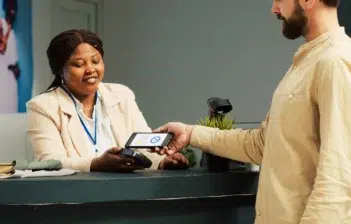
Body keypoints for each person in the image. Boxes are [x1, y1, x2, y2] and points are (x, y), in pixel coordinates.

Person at [152, 0, 351, 223]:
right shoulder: (307, 62)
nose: (274, 9)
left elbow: (339, 175)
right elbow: (263, 145)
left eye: (279, 0)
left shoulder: (335, 62)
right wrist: (192, 133)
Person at [26, 29, 189, 172]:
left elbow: (143, 150)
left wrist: (162, 162)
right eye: (79, 64)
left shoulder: (121, 95)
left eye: (96, 61)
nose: (90, 69)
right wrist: (96, 164)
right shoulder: (42, 106)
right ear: (60, 70)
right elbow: (49, 162)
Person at [0, 0, 20, 113]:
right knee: (2, 110)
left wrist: (16, 69)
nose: (13, 12)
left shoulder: (13, 35)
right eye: (11, 8)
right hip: (3, 79)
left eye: (15, 9)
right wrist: (7, 32)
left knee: (12, 113)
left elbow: (15, 63)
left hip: (12, 84)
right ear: (5, 8)